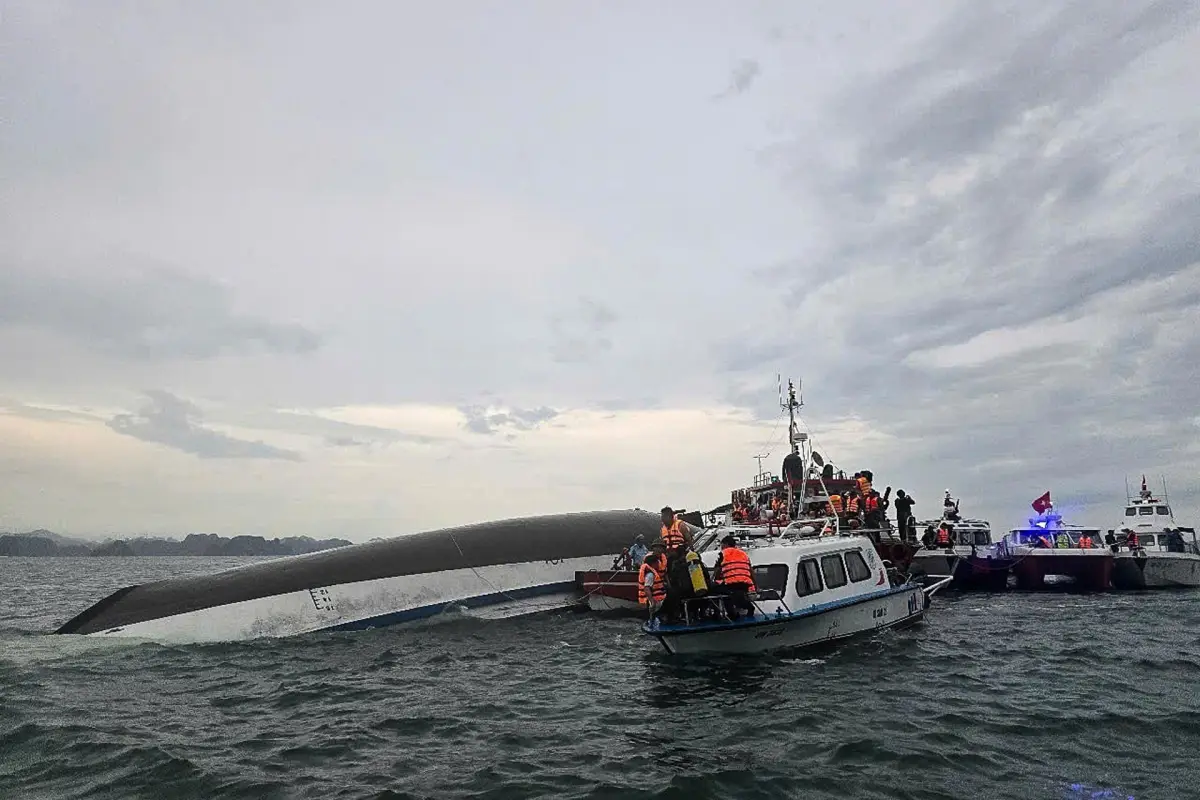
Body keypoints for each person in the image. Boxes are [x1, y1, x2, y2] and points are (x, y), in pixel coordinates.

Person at [712, 534, 756, 618]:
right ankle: (738, 611)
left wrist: (715, 579)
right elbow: (751, 571)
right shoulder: (743, 554)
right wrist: (755, 585)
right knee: (734, 595)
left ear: (726, 544)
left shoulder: (722, 554)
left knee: (715, 590)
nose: (721, 547)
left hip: (731, 584)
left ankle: (718, 614)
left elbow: (717, 571)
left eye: (722, 545)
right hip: (745, 584)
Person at [638, 552, 667, 617]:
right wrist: (652, 602)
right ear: (653, 563)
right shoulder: (650, 575)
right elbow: (646, 588)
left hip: (658, 598)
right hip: (655, 600)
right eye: (657, 562)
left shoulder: (653, 572)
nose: (658, 564)